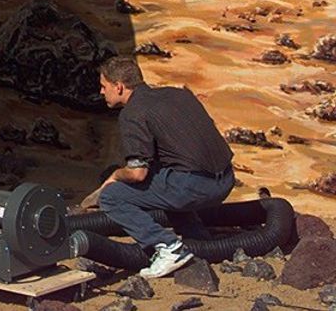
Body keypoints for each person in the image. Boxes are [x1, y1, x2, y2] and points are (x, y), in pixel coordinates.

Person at [79, 56, 236, 279]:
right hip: (226, 179)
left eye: (104, 86)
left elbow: (137, 173)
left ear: (119, 86)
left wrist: (115, 175)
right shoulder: (178, 94)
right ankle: (197, 239)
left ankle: (168, 247)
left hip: (195, 187)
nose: (101, 92)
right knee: (164, 177)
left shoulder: (133, 113)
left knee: (111, 197)